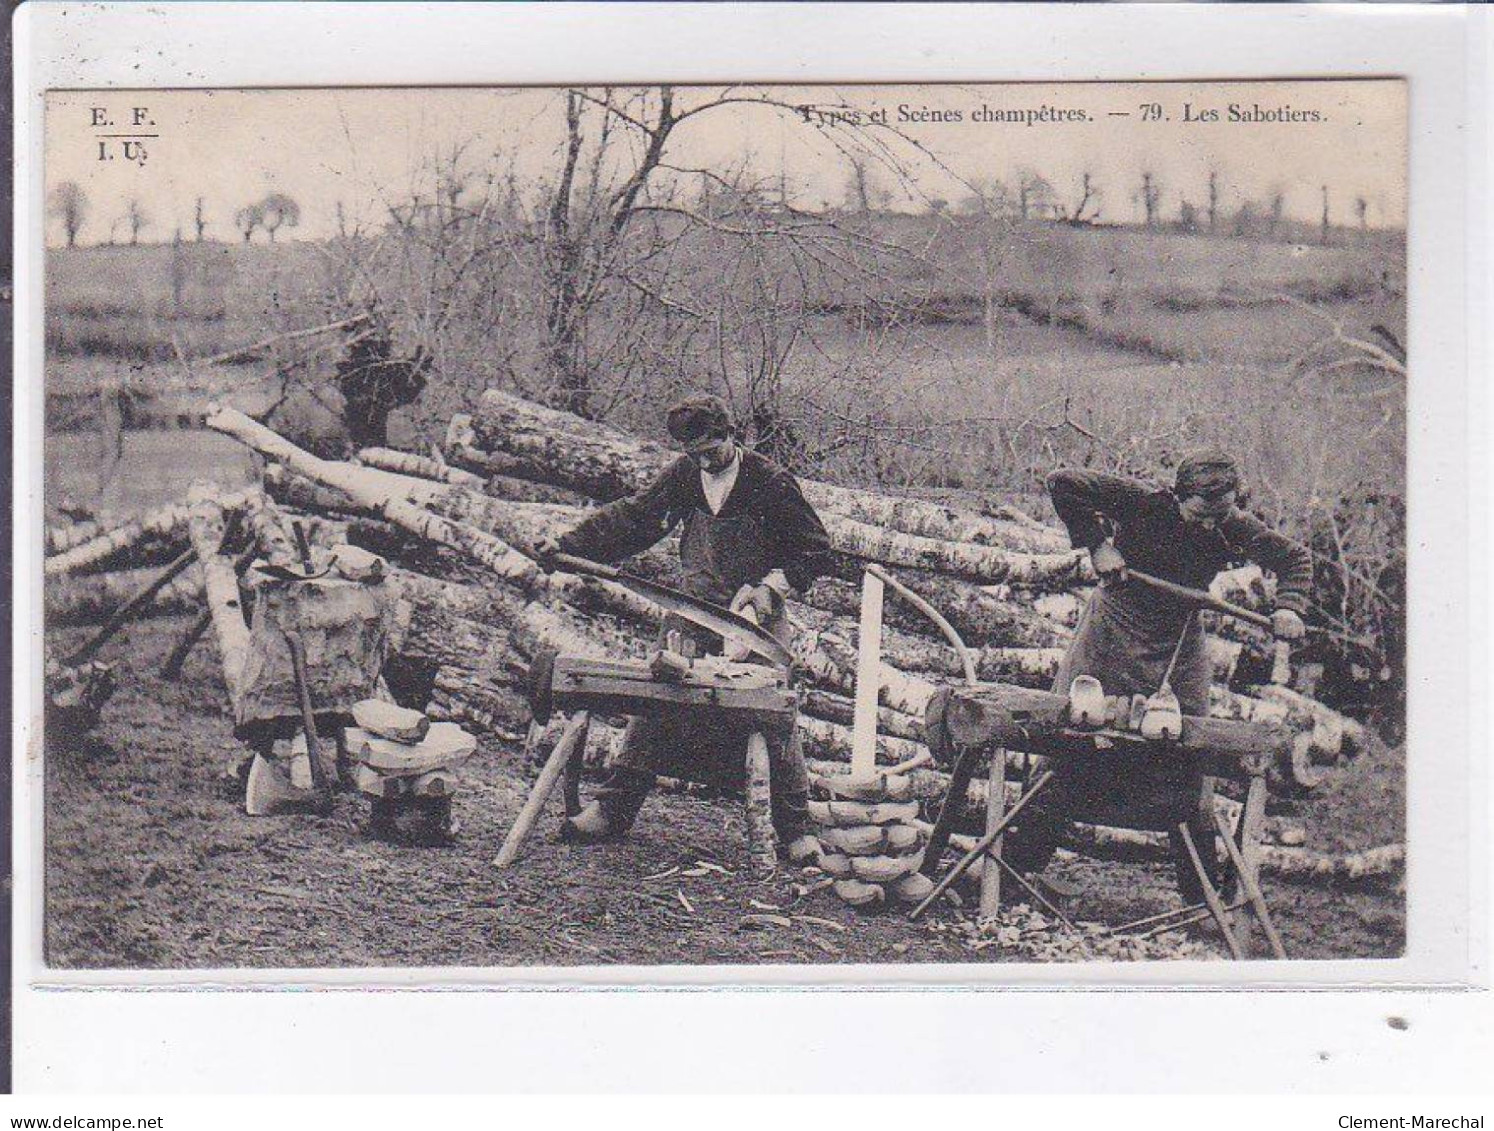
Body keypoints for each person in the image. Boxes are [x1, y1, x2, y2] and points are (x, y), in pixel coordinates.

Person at [533, 394, 837, 855]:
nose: (705, 461)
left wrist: (769, 589)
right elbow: (634, 520)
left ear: (731, 435)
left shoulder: (768, 481)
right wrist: (569, 544)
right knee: (656, 698)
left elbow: (813, 548)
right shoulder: (684, 476)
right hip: (693, 611)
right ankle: (613, 810)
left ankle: (796, 830)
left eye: (712, 451)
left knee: (774, 712)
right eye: (694, 454)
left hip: (754, 617)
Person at [1004, 449, 1313, 901]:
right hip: (1112, 630)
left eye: (1220, 514)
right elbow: (1063, 481)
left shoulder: (1231, 525)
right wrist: (1099, 544)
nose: (1211, 525)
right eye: (1201, 514)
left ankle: (1201, 900)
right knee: (1070, 738)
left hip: (1179, 640)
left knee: (1190, 755)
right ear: (1178, 496)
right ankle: (1013, 872)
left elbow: (1294, 559)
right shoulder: (1142, 502)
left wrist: (1288, 606)